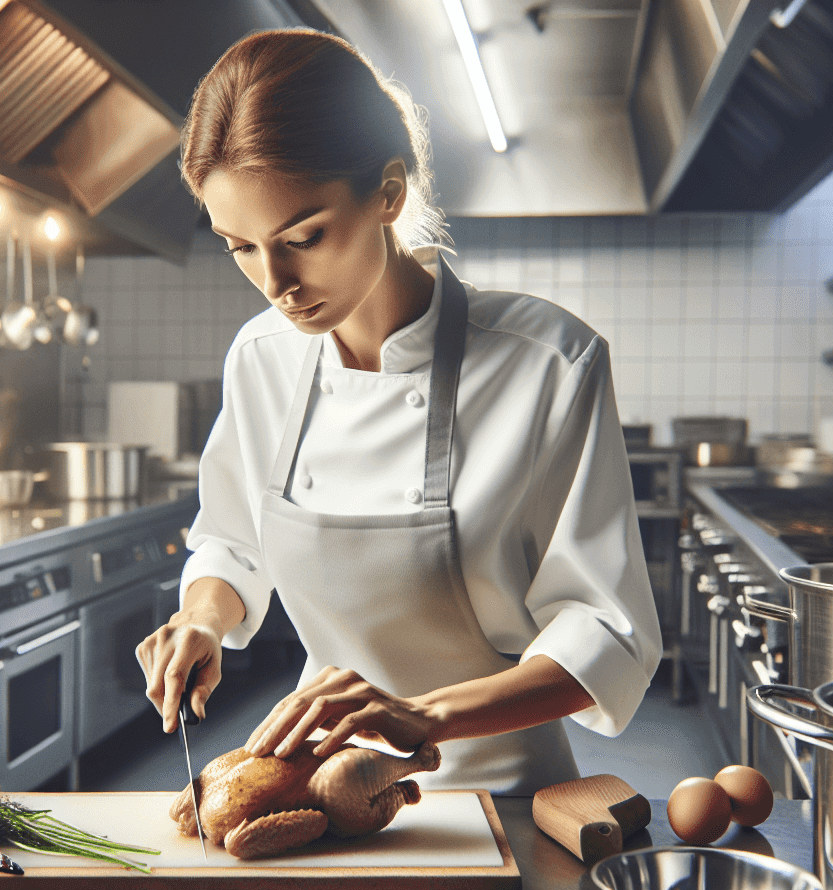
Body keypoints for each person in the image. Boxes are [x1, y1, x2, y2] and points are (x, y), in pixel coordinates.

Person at [135, 28, 660, 796]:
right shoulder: (261, 359)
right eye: (238, 247)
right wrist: (204, 619)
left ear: (388, 192)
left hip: (504, 798)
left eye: (303, 237)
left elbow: (606, 634)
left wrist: (428, 715)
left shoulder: (548, 362)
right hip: (324, 787)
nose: (275, 281)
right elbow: (232, 544)